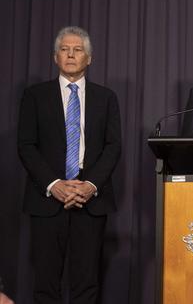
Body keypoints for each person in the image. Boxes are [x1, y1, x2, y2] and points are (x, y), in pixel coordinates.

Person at [17, 26, 122, 303]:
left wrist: (89, 185)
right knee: (45, 284)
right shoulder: (35, 96)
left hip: (91, 200)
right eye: (65, 49)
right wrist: (55, 185)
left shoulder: (106, 97)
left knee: (87, 284)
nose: (71, 54)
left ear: (89, 58)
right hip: (47, 199)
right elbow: (26, 145)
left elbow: (113, 147)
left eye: (78, 50)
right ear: (55, 57)